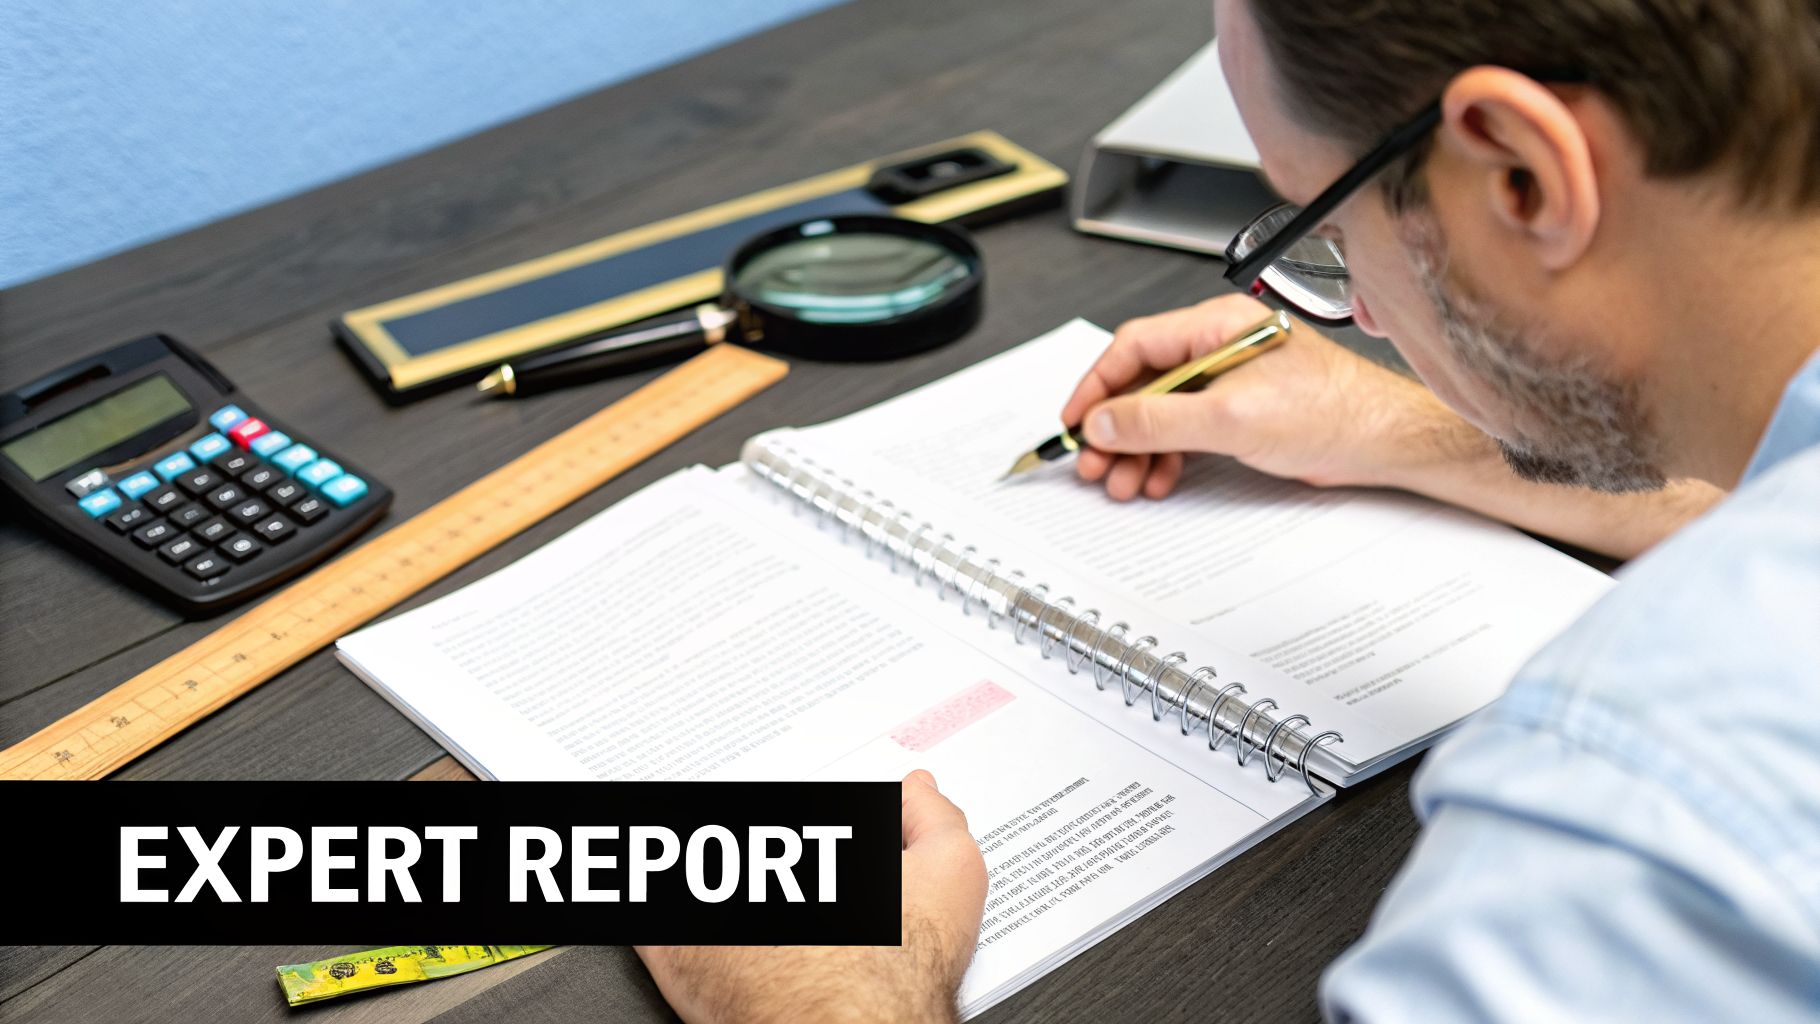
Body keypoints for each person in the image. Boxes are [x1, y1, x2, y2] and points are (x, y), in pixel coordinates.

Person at [637, 0, 1820, 1019]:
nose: (1357, 316)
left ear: (1519, 174)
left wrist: (819, 998)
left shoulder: (1634, 805)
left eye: (1323, 231)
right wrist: (1417, 425)